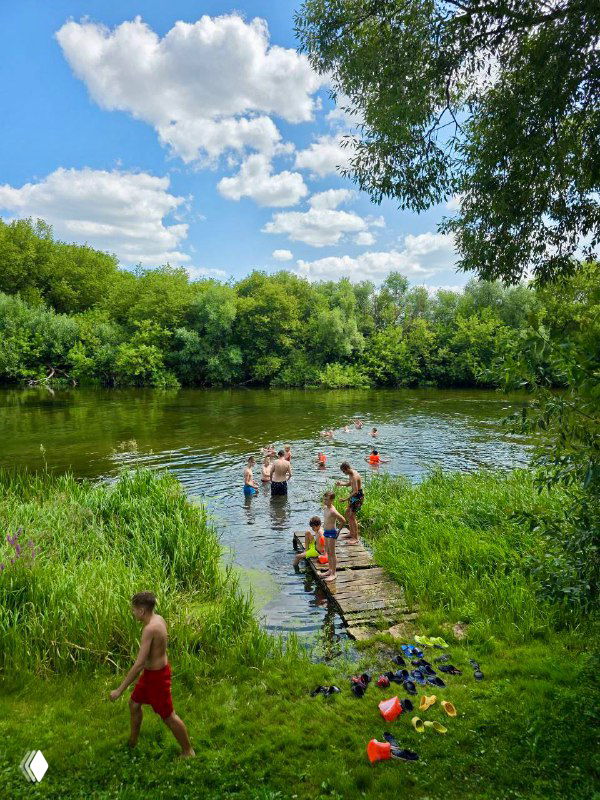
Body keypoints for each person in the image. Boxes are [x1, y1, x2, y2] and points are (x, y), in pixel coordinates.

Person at [109, 591, 194, 758]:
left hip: (157, 678)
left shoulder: (149, 629)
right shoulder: (159, 619)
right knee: (134, 704)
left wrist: (119, 690)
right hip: (151, 675)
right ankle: (132, 743)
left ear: (141, 611)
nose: (132, 612)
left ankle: (188, 751)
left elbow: (139, 663)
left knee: (169, 716)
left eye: (133, 609)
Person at [321, 491, 347, 582]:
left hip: (332, 533)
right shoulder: (325, 508)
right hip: (326, 532)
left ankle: (334, 573)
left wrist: (338, 531)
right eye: (324, 499)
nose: (325, 501)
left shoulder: (333, 511)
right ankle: (330, 570)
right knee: (328, 551)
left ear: (332, 500)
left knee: (332, 553)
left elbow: (343, 520)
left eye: (327, 500)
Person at [336, 461, 363, 545]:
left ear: (347, 469)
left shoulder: (354, 476)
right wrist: (341, 484)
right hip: (354, 496)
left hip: (357, 497)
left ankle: (355, 538)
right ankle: (351, 533)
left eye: (344, 471)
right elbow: (350, 484)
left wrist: (344, 499)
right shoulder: (351, 474)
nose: (344, 473)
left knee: (352, 516)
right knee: (348, 513)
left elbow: (355, 491)